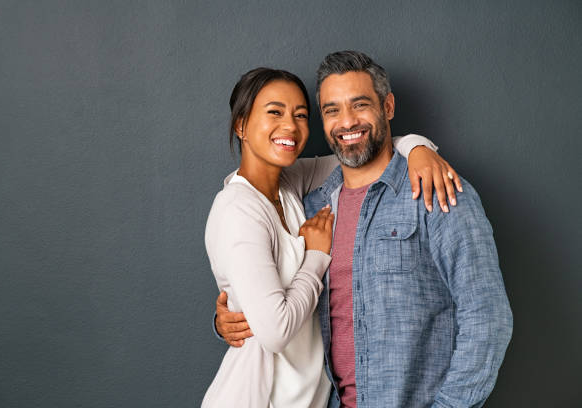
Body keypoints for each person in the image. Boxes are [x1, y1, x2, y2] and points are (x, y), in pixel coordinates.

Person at [215, 51, 513, 408]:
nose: (347, 122)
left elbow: (487, 318)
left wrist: (418, 147)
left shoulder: (436, 191)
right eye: (331, 110)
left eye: (360, 105)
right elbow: (276, 292)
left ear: (387, 106)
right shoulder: (312, 208)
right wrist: (229, 317)